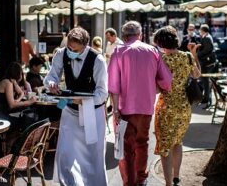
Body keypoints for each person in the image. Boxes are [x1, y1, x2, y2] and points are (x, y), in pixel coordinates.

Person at [108, 21, 172, 186]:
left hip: (124, 107)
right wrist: (157, 87)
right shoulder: (152, 51)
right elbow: (166, 80)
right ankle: (141, 178)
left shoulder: (118, 51)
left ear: (124, 36)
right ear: (140, 35)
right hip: (145, 106)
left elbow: (113, 85)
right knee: (142, 143)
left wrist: (115, 109)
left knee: (127, 148)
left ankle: (130, 181)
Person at [44, 27, 109, 186]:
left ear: (86, 46)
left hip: (92, 114)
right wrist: (52, 83)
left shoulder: (98, 60)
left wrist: (83, 101)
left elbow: (102, 93)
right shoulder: (61, 54)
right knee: (66, 154)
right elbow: (51, 76)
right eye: (69, 48)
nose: (71, 51)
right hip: (70, 112)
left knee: (93, 157)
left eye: (75, 50)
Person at [153, 26, 201, 186]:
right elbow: (196, 75)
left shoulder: (161, 60)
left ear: (160, 43)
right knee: (177, 142)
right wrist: (193, 54)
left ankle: (167, 183)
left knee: (164, 147)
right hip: (184, 106)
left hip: (166, 106)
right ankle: (176, 177)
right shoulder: (187, 56)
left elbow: (157, 88)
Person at [197, 24, 218, 109]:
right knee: (204, 81)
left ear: (202, 30)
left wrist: (198, 54)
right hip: (206, 62)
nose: (199, 32)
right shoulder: (207, 37)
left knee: (205, 81)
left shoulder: (207, 38)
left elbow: (207, 50)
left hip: (207, 63)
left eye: (200, 30)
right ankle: (205, 98)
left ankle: (206, 99)